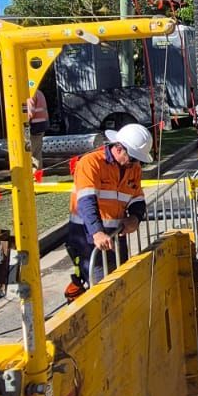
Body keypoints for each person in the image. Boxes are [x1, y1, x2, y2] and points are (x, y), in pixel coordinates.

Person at [64, 121, 152, 301]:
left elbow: (137, 198)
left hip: (115, 236)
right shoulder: (90, 163)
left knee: (122, 284)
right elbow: (86, 201)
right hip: (88, 237)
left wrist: (135, 218)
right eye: (133, 158)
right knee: (102, 292)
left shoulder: (132, 168)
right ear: (119, 148)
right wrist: (97, 232)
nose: (136, 164)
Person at [25, 86, 50, 167]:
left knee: (28, 153)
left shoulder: (29, 93)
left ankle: (30, 174)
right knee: (37, 153)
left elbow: (30, 113)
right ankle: (37, 175)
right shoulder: (39, 92)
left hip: (34, 127)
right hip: (41, 126)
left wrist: (22, 124)